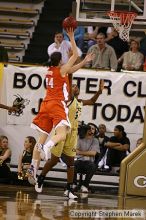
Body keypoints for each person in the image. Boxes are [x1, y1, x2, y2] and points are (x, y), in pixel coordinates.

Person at [34, 78, 104, 198]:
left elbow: (92, 101)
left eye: (77, 86)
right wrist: (69, 73)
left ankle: (69, 188)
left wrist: (99, 91)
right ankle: (41, 178)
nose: (75, 87)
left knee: (71, 163)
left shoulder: (79, 101)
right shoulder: (68, 100)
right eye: (73, 86)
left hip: (73, 134)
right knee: (54, 160)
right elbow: (69, 83)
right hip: (62, 131)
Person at [73, 122, 100, 193]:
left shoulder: (95, 140)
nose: (90, 130)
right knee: (72, 164)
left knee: (93, 166)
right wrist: (87, 153)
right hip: (79, 160)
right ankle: (74, 184)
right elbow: (75, 151)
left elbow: (93, 153)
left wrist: (80, 152)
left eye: (92, 129)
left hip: (89, 162)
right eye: (89, 129)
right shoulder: (80, 138)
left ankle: (85, 185)